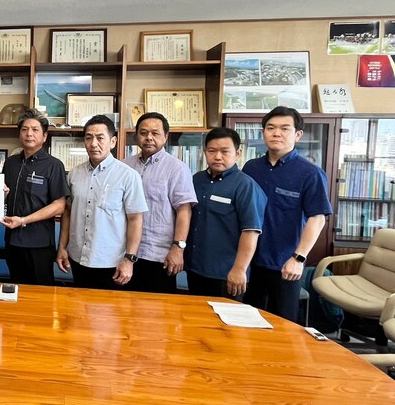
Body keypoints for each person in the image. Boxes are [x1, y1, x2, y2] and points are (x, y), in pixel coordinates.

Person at [243, 106, 333, 321]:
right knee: (247, 320)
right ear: (263, 132)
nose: (276, 133)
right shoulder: (251, 168)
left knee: (283, 324)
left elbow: (317, 218)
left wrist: (299, 258)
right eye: (271, 128)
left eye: (284, 128)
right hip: (250, 261)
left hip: (285, 264)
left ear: (297, 134)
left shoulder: (310, 173)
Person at [56, 114, 147, 290]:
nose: (93, 143)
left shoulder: (128, 176)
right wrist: (62, 247)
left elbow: (136, 220)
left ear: (113, 142)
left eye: (100, 138)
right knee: (78, 304)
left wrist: (129, 259)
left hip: (111, 262)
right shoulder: (74, 174)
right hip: (77, 257)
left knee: (107, 308)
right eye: (88, 138)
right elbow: (68, 213)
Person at [185, 128, 267, 299]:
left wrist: (239, 269)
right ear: (205, 152)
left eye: (225, 151)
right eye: (212, 151)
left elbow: (251, 231)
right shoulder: (196, 180)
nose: (217, 157)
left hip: (226, 273)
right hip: (195, 269)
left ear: (238, 154)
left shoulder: (245, 185)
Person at [124, 112, 197, 294]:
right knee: (123, 306)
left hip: (158, 254)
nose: (149, 137)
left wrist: (178, 248)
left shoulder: (177, 168)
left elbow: (184, 210)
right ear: (136, 136)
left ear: (165, 136)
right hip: (125, 252)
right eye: (143, 133)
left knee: (157, 308)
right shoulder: (124, 166)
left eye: (155, 133)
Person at [1, 109, 69, 286]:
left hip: (39, 243)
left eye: (35, 129)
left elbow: (59, 205)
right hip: (12, 240)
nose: (29, 134)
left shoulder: (54, 165)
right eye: (24, 129)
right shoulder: (10, 163)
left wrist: (24, 220)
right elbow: (2, 195)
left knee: (41, 293)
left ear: (44, 136)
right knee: (15, 289)